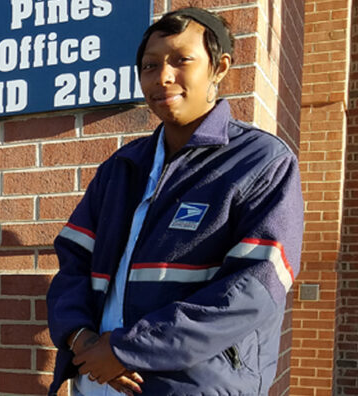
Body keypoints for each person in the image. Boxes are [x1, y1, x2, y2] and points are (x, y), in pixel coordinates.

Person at [47, 7, 303, 396]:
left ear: (219, 68)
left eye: (182, 60)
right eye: (150, 66)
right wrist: (82, 341)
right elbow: (73, 263)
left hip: (191, 385)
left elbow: (255, 288)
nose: (163, 77)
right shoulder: (121, 168)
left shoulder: (261, 162)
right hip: (96, 380)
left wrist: (127, 350)